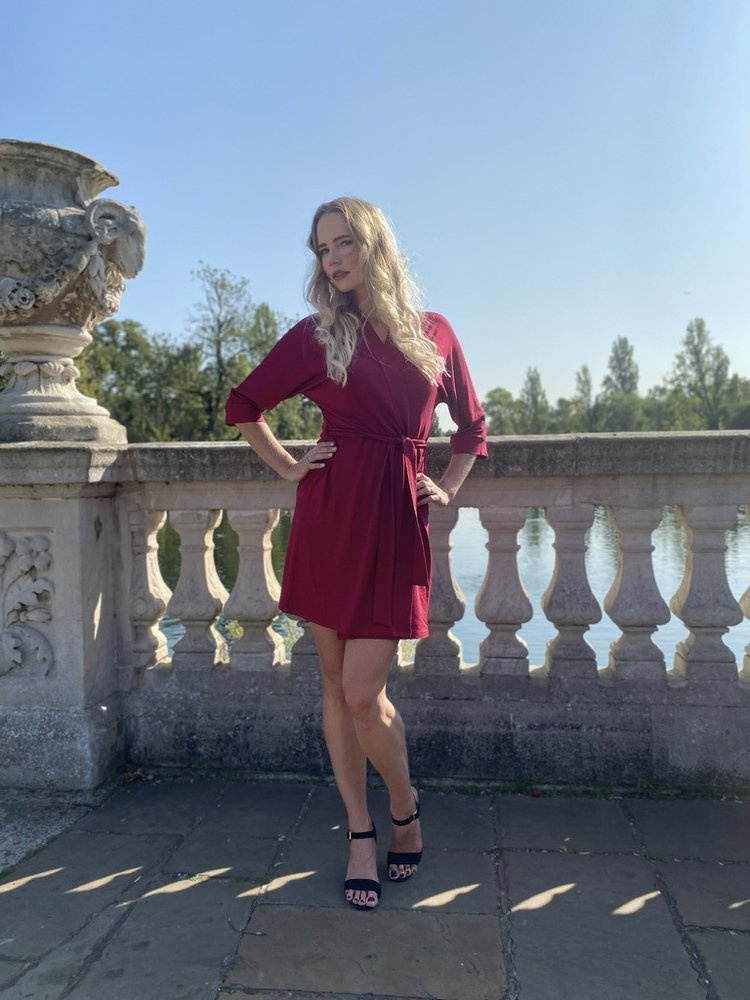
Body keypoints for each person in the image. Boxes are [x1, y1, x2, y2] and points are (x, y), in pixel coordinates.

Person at [225, 197, 487, 911]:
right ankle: (361, 833)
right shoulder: (318, 335)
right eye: (322, 248)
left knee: (363, 693)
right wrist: (290, 467)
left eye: (344, 242)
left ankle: (405, 807)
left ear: (375, 244)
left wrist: (448, 486)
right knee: (336, 687)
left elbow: (472, 429)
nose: (333, 258)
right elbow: (244, 405)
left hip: (397, 521)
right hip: (331, 518)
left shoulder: (434, 332)